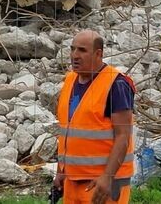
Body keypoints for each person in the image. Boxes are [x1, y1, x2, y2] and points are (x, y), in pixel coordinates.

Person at [54, 30, 135, 204]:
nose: (74, 56)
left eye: (82, 50)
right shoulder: (70, 81)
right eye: (72, 49)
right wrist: (60, 170)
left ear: (99, 54)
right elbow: (68, 131)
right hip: (72, 180)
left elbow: (123, 136)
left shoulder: (116, 84)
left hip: (105, 183)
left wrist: (107, 177)